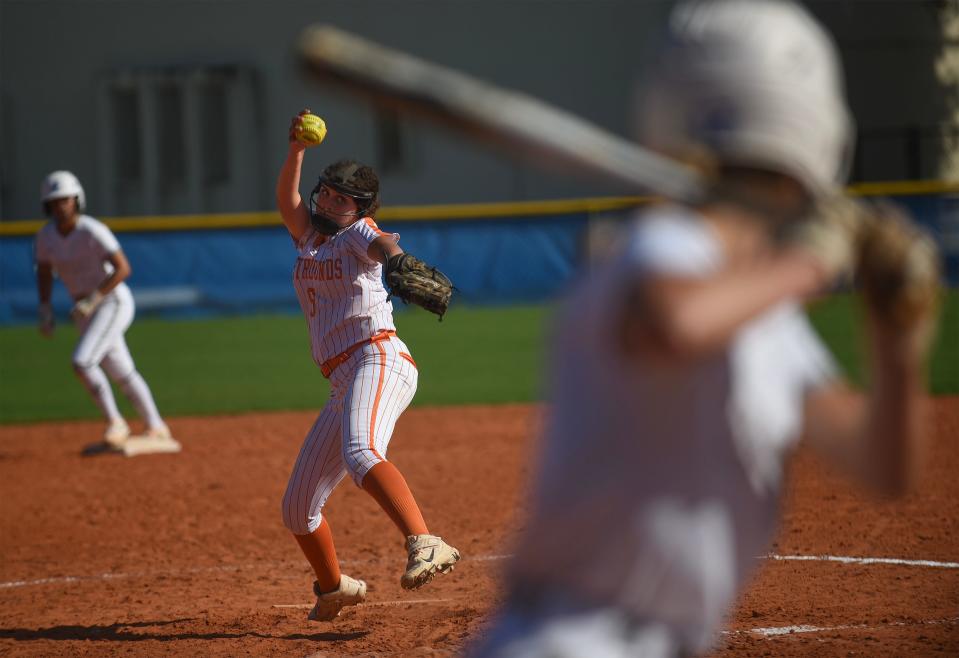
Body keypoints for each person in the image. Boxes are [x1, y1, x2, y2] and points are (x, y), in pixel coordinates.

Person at [469, 1, 938, 656]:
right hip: (569, 640)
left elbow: (884, 467)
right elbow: (675, 324)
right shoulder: (657, 247)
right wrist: (811, 261)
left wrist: (896, 345)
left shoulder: (758, 310)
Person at [276, 110, 460, 622]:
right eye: (328, 193)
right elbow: (287, 204)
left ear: (359, 207)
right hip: (341, 378)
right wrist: (295, 150)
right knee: (297, 508)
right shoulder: (309, 240)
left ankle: (425, 540)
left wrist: (396, 260)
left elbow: (382, 243)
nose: (331, 202)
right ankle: (334, 588)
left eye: (343, 198)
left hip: (377, 356)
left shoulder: (358, 232)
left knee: (361, 451)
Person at [34, 170, 180, 456]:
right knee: (121, 371)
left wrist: (94, 298)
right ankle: (156, 426)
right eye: (54, 202)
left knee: (82, 362)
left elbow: (123, 268)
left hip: (111, 302)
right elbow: (43, 271)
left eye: (65, 200)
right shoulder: (46, 237)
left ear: (77, 201)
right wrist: (45, 307)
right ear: (47, 206)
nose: (60, 206)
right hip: (85, 310)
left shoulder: (91, 230)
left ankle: (116, 422)